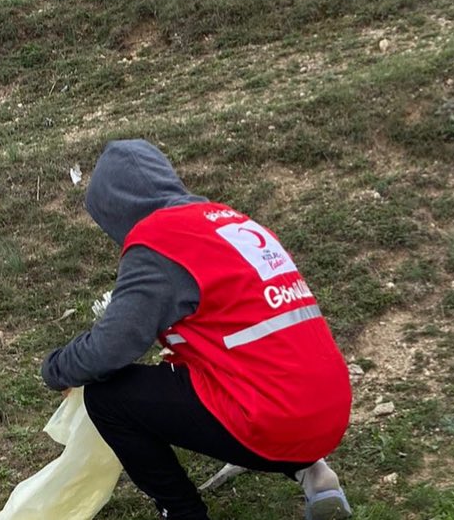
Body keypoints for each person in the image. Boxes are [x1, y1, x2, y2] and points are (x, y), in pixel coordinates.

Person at [41, 139, 353, 519]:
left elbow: (111, 348)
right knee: (191, 367)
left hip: (275, 419)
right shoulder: (226, 221)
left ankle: (183, 512)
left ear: (116, 208)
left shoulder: (159, 242)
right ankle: (314, 472)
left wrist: (56, 369)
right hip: (328, 409)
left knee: (109, 399)